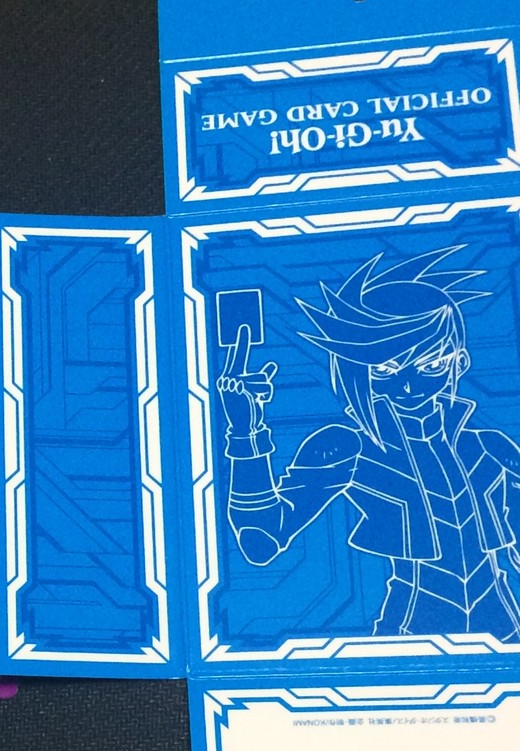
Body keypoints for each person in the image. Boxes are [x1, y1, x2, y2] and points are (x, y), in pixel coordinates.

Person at [217, 248, 520, 640]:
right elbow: (259, 540)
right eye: (385, 369)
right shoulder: (348, 447)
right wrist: (245, 433)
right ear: (358, 370)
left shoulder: (491, 451)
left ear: (459, 363)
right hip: (409, 633)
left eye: (431, 366)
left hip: (505, 631)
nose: (408, 386)